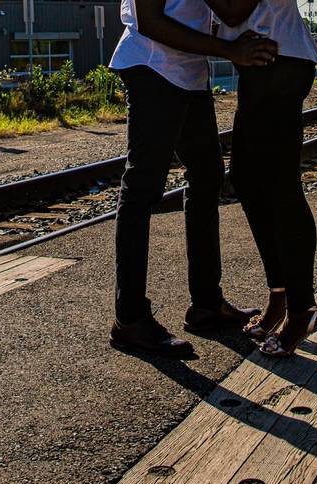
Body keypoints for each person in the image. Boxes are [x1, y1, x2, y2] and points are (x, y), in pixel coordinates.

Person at [107, 0, 278, 357]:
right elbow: (150, 21)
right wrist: (228, 49)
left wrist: (229, 36)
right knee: (142, 187)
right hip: (153, 66)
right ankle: (130, 319)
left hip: (189, 73)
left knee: (207, 176)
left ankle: (206, 304)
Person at [214, 0, 317, 357]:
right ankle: (280, 294)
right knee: (246, 180)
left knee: (281, 188)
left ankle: (303, 309)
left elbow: (233, 11)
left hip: (280, 61)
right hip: (262, 63)